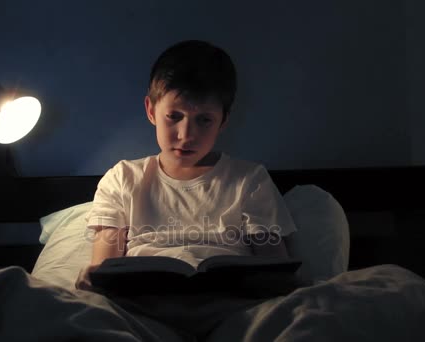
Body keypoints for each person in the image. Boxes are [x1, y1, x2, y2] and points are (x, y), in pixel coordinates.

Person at [75, 40, 299, 339]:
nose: (186, 135)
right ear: (151, 110)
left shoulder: (250, 180)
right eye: (174, 116)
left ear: (223, 121)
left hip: (232, 309)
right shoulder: (123, 178)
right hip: (144, 309)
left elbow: (275, 268)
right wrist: (93, 278)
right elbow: (104, 265)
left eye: (204, 120)